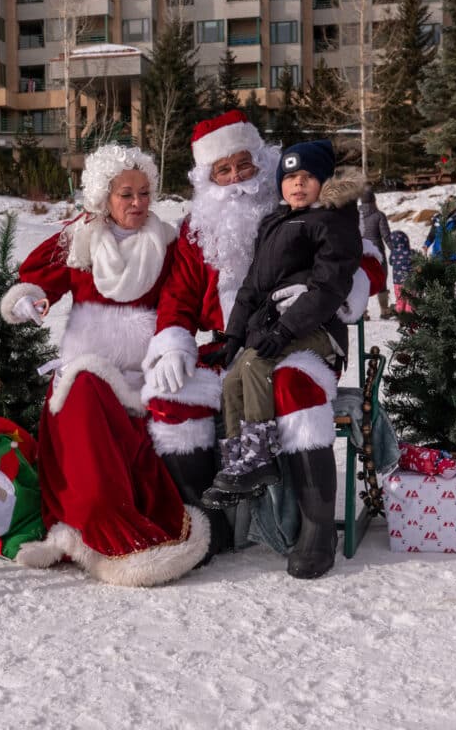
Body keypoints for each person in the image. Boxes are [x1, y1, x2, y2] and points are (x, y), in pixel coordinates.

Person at [140, 110, 383, 567]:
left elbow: (364, 253)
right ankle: (204, 526)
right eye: (223, 170)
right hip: (231, 344)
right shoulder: (196, 231)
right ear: (206, 178)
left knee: (293, 386)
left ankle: (314, 527)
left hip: (303, 338)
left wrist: (345, 288)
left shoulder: (298, 200)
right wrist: (173, 340)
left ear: (262, 161)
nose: (236, 179)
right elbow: (178, 295)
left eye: (244, 165)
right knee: (169, 396)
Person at [0, 143, 209, 586]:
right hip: (84, 370)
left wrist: (172, 345)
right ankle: (93, 521)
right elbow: (39, 284)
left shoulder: (169, 244)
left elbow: (182, 300)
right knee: (83, 392)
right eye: (125, 194)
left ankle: (111, 526)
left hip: (145, 372)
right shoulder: (79, 238)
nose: (137, 203)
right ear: (103, 197)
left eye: (145, 193)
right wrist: (27, 301)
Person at [202, 139, 363, 580]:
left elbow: (330, 286)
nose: (297, 185)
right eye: (290, 178)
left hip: (313, 334)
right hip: (274, 330)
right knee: (236, 375)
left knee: (256, 369)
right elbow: (252, 287)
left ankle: (264, 463)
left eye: (307, 177)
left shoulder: (334, 220)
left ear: (323, 182)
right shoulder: (275, 223)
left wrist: (285, 330)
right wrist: (233, 337)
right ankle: (241, 458)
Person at [358, 186, 393, 318]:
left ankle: (362, 312)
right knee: (381, 277)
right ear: (373, 200)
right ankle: (384, 310)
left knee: (362, 280)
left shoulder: (356, 215)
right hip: (377, 251)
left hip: (362, 251)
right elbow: (386, 236)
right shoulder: (379, 215)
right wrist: (395, 250)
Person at [424, 195, 456, 260]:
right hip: (436, 254)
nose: (448, 205)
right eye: (447, 202)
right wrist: (426, 245)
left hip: (450, 256)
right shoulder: (437, 218)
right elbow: (432, 234)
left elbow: (455, 236)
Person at [389, 230, 414, 314]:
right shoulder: (412, 252)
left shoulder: (393, 253)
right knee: (410, 299)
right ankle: (410, 315)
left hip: (397, 282)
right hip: (410, 281)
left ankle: (400, 315)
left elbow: (391, 262)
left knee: (399, 299)